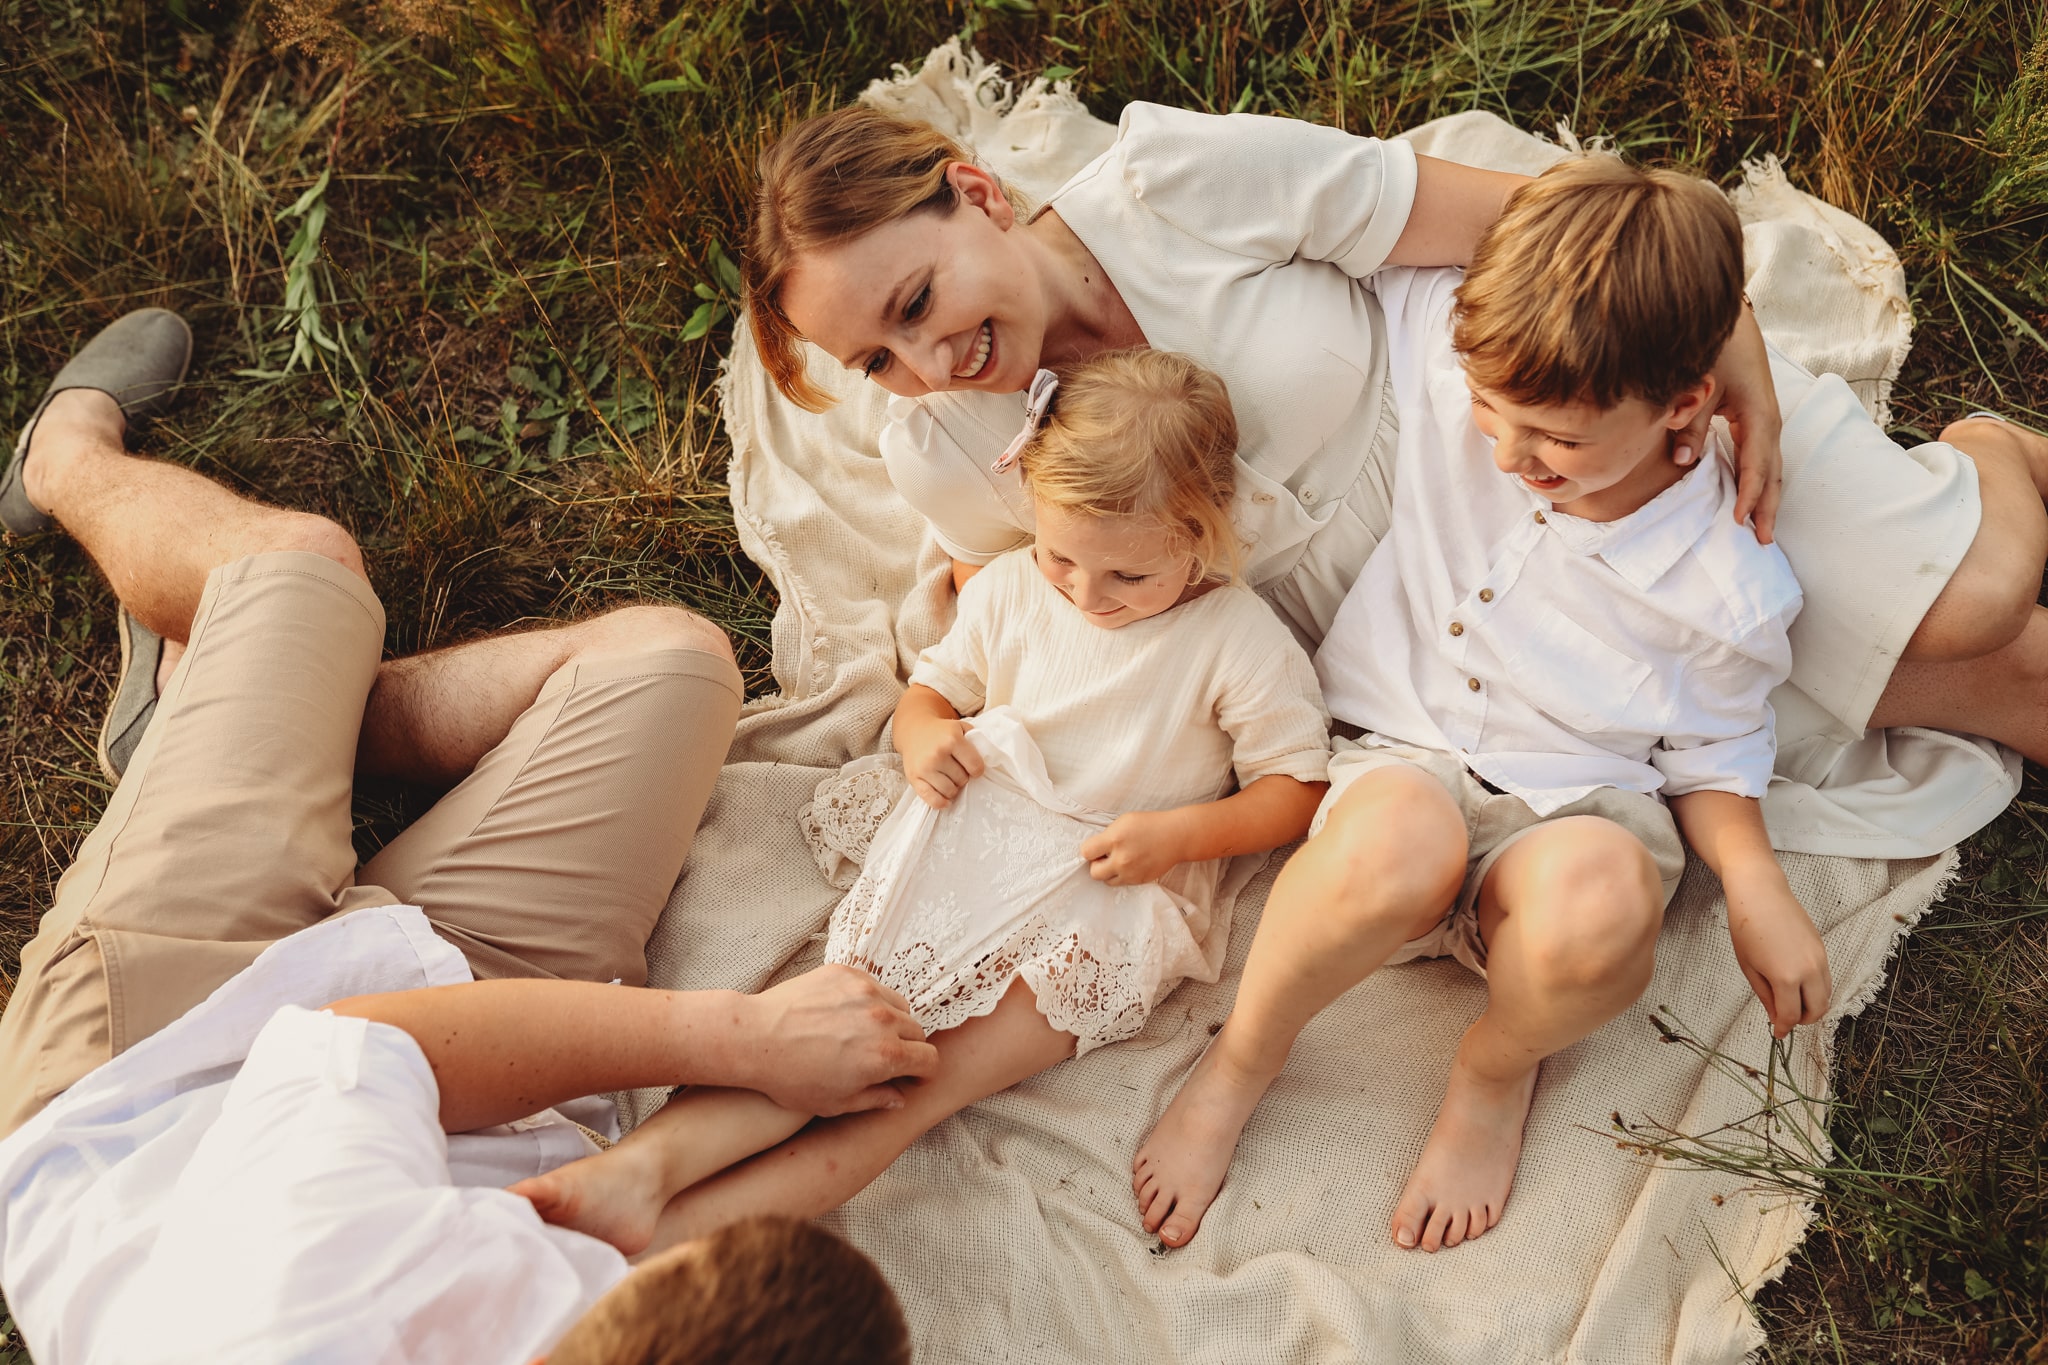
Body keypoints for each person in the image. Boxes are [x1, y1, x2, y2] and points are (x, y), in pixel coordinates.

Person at [0, 308, 939, 1361]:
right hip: (450, 1074)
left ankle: (63, 465)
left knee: (302, 566)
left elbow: (359, 1041)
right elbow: (651, 1225)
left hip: (161, 1056)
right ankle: (245, 709)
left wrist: (744, 1038)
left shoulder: (315, 1299)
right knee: (664, 667)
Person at [741, 101, 2048, 834]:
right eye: (877, 359)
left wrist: (1727, 334)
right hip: (1404, 623)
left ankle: (1992, 457)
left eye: (914, 301)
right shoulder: (944, 450)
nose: (928, 361)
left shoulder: (1162, 184)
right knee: (1903, 686)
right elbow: (1042, 603)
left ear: (973, 190)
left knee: (1965, 607)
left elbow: (1529, 214)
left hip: (1494, 433)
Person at [1130, 157, 1836, 1254]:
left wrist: (1755, 888)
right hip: (1400, 764)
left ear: (1684, 404)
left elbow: (1714, 742)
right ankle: (1240, 1061)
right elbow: (1344, 204)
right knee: (1393, 840)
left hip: (1571, 817)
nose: (1508, 454)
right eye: (1491, 416)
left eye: (1556, 439)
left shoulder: (1726, 582)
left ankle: (1492, 1070)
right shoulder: (1461, 344)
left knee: (1601, 901)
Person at [511, 349, 1332, 1253]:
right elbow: (932, 693)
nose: (1088, 595)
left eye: (1129, 578)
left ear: (1203, 534)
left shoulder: (1237, 640)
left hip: (1115, 884)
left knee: (915, 1080)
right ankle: (636, 1173)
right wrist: (923, 735)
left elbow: (1294, 792)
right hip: (983, 832)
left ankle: (674, 1240)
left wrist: (1183, 835)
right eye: (1065, 557)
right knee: (843, 1019)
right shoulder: (1018, 586)